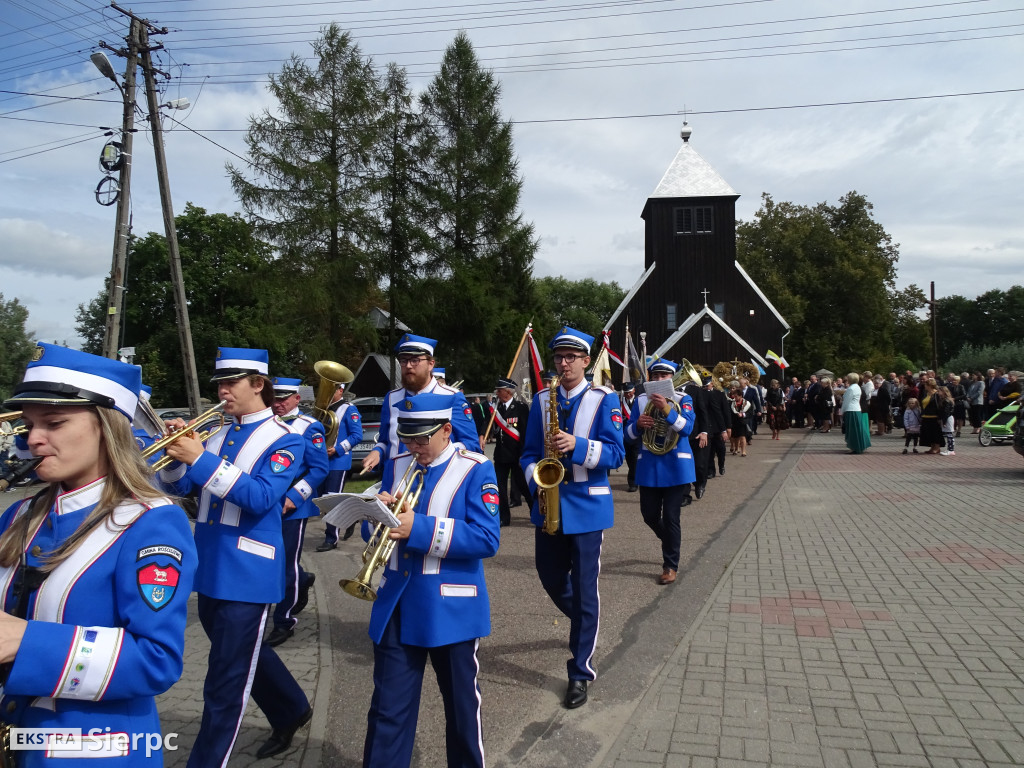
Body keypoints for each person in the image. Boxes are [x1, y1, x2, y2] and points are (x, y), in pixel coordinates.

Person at [0, 343, 197, 764]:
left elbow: (156, 660)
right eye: (29, 425)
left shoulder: (151, 523)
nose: (33, 440)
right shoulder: (19, 514)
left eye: (53, 423)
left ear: (107, 429)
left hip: (96, 748)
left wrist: (26, 642)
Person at [159, 348, 311, 764]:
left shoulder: (286, 440)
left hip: (248, 572)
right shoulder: (217, 436)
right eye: (220, 385)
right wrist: (175, 455)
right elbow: (179, 489)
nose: (222, 392)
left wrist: (200, 459)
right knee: (242, 655)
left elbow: (261, 497)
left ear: (258, 384)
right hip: (209, 566)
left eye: (232, 384)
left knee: (224, 681)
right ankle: (292, 708)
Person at [362, 392, 500, 768]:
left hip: (450, 608)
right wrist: (373, 517)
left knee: (460, 712)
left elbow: (487, 539)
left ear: (447, 430)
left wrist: (417, 528)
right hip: (397, 605)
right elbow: (376, 532)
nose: (415, 446)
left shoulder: (474, 468)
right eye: (408, 437)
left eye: (422, 438)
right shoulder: (397, 463)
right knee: (387, 712)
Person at [520, 327, 624, 709]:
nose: (563, 364)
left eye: (571, 357)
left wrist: (577, 446)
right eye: (559, 358)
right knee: (550, 577)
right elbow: (528, 454)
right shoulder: (541, 402)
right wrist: (538, 482)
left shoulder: (603, 399)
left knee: (584, 587)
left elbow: (616, 454)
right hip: (549, 506)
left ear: (585, 361)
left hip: (587, 507)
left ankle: (580, 670)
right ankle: (587, 622)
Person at [265, 377, 329, 647]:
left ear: (296, 399)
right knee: (272, 561)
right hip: (265, 502)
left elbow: (319, 469)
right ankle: (302, 580)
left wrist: (294, 496)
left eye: (283, 398)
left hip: (293, 506)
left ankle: (285, 621)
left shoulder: (308, 427)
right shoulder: (267, 424)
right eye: (274, 398)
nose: (278, 403)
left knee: (286, 563)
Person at [361, 334, 480, 476]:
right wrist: (377, 451)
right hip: (395, 479)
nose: (408, 366)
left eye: (415, 360)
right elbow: (385, 440)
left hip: (436, 478)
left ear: (431, 364)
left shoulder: (452, 397)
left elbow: (471, 445)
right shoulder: (391, 398)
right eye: (404, 360)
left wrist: (440, 453)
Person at [624, 359, 695, 584]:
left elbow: (687, 429)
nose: (658, 380)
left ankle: (670, 565)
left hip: (676, 466)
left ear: (672, 378)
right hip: (649, 467)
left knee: (672, 518)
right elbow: (627, 434)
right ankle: (671, 543)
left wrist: (666, 408)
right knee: (649, 515)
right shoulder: (641, 400)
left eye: (664, 376)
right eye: (655, 376)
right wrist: (637, 426)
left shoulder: (683, 398)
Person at [318, 382, 363, 550]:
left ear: (340, 390)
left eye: (331, 389)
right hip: (321, 461)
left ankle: (331, 538)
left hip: (338, 461)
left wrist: (337, 449)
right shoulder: (323, 410)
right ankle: (350, 518)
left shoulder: (349, 409)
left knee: (331, 499)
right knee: (321, 498)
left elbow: (357, 436)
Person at [491, 377, 532, 527]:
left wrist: (524, 453)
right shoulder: (496, 408)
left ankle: (535, 511)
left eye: (499, 390)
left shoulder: (521, 408)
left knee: (523, 485)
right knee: (500, 488)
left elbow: (525, 431)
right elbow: (487, 425)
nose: (497, 392)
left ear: (507, 392)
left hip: (517, 454)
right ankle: (504, 517)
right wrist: (482, 435)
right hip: (501, 455)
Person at [679, 373, 709, 499]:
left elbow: (702, 412)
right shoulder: (670, 392)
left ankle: (700, 484)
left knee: (699, 465)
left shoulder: (695, 391)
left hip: (695, 434)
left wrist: (704, 432)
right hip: (679, 435)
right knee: (683, 465)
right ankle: (685, 496)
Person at [704, 376, 731, 478]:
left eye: (707, 385)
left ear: (712, 384)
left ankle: (721, 464)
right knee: (709, 450)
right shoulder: (702, 394)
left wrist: (727, 427)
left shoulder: (719, 394)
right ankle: (711, 470)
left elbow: (725, 411)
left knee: (721, 448)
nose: (706, 387)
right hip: (707, 426)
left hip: (719, 425)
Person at [841, 372, 871, 454]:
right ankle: (859, 445)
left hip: (851, 410)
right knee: (858, 429)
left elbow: (846, 401)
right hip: (857, 409)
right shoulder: (857, 387)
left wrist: (842, 411)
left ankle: (854, 446)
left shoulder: (851, 388)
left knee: (852, 430)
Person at [620, 382, 639, 491]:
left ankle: (633, 483)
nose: (628, 394)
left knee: (635, 458)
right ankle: (634, 479)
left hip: (636, 433)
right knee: (629, 459)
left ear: (634, 390)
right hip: (624, 435)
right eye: (626, 392)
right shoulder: (620, 402)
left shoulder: (639, 401)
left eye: (630, 392)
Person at [729, 383, 751, 456]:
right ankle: (736, 449)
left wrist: (743, 414)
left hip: (742, 422)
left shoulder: (746, 403)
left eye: (736, 396)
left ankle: (743, 451)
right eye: (734, 396)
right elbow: (731, 412)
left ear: (740, 396)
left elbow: (749, 413)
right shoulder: (732, 403)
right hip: (735, 421)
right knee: (735, 437)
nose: (735, 398)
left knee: (742, 436)